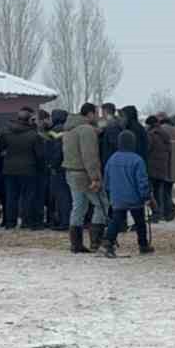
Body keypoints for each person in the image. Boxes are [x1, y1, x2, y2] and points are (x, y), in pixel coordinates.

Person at [62, 103, 107, 253]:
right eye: (96, 113)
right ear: (90, 114)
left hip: (70, 172)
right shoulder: (86, 131)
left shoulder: (69, 129)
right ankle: (96, 241)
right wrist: (95, 177)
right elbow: (90, 156)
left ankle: (76, 244)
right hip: (84, 174)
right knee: (102, 205)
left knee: (78, 207)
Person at [100, 130, 152, 257]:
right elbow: (142, 180)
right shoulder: (137, 160)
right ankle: (143, 245)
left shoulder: (112, 158)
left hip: (117, 197)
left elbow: (106, 178)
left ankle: (108, 242)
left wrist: (109, 191)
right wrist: (146, 195)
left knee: (116, 220)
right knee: (140, 222)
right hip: (135, 198)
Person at [0, 110, 44, 229]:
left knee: (11, 196)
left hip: (9, 169)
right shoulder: (34, 135)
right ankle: (26, 221)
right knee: (28, 196)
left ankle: (10, 222)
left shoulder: (6, 133)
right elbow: (39, 155)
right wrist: (41, 168)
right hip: (29, 169)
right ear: (29, 120)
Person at [45, 110, 71, 230]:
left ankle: (63, 222)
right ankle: (65, 220)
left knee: (61, 196)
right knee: (66, 195)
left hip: (59, 168)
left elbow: (56, 151)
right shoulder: (68, 130)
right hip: (68, 166)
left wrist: (52, 165)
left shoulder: (55, 132)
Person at [145, 114, 173, 223]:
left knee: (152, 192)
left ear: (150, 124)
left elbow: (148, 149)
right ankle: (162, 212)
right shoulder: (165, 134)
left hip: (152, 167)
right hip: (163, 167)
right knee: (159, 191)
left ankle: (156, 214)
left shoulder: (151, 135)